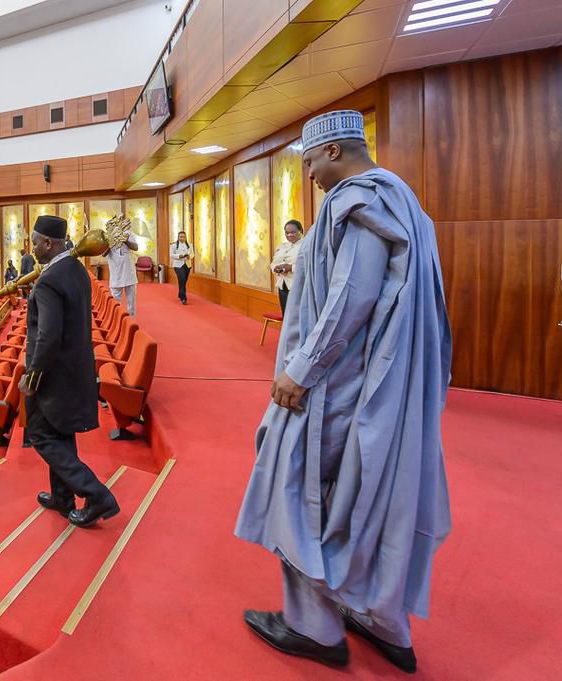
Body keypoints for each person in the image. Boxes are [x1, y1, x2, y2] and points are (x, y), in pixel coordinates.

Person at [235, 110, 452, 673]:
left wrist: (300, 370)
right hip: (375, 386)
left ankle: (314, 626)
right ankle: (381, 618)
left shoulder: (356, 199)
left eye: (308, 161)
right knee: (370, 492)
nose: (306, 174)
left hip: (334, 385)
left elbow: (350, 298)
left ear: (333, 151)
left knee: (302, 487)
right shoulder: (406, 201)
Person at [20, 215, 119, 528]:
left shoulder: (49, 279)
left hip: (53, 375)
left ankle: (96, 493)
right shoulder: (75, 269)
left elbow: (47, 336)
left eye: (35, 242)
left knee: (39, 434)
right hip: (75, 368)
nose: (32, 248)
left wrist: (33, 376)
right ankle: (62, 496)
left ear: (48, 243)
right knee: (58, 431)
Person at [271, 219, 304, 315]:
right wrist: (275, 268)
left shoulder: (306, 245)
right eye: (287, 232)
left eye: (293, 232)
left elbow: (309, 265)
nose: (289, 235)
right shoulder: (282, 246)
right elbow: (273, 262)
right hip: (283, 285)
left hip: (298, 285)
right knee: (286, 315)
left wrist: (291, 268)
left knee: (297, 316)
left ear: (300, 231)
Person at [105, 226, 139, 317]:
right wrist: (111, 242)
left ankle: (131, 324)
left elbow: (136, 247)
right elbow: (104, 253)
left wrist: (125, 240)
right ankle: (116, 323)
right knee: (115, 304)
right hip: (116, 275)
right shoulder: (107, 236)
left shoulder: (128, 233)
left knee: (131, 305)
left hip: (129, 274)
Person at [169, 231, 194, 305]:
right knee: (182, 279)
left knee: (183, 281)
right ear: (178, 237)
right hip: (178, 265)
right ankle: (184, 298)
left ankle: (180, 293)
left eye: (184, 236)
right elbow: (171, 254)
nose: (182, 238)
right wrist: (178, 256)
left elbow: (192, 253)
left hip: (187, 265)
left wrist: (190, 256)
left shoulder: (190, 245)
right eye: (181, 236)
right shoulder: (173, 245)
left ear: (186, 237)